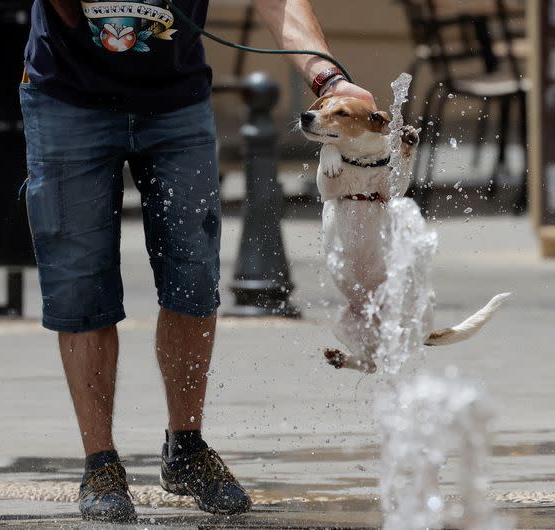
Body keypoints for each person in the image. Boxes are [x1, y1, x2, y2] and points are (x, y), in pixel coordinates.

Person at [21, 0, 376, 522]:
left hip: (175, 102)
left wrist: (326, 77)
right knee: (80, 284)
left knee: (192, 276)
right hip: (67, 99)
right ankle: (100, 462)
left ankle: (186, 448)